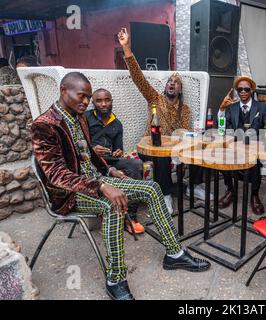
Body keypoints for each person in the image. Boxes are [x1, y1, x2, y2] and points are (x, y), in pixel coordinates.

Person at [31, 72, 211, 300]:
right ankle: (116, 277)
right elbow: (56, 174)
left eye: (88, 97)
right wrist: (102, 186)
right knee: (112, 204)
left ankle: (175, 253)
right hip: (69, 194)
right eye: (82, 96)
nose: (86, 101)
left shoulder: (79, 117)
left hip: (97, 180)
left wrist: (110, 171)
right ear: (63, 91)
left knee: (152, 187)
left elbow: (89, 154)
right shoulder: (45, 125)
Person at [117, 27, 210, 213]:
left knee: (200, 145)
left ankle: (194, 186)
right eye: (169, 81)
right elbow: (138, 78)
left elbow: (183, 134)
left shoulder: (185, 110)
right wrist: (127, 49)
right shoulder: (154, 98)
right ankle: (165, 194)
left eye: (176, 83)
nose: (171, 83)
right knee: (161, 154)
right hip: (149, 149)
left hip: (173, 149)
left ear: (180, 90)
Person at [86, 88, 145, 235]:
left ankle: (130, 216)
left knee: (136, 165)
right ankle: (115, 212)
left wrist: (118, 151)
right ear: (93, 103)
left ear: (112, 102)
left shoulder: (117, 124)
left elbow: (119, 147)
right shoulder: (85, 118)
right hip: (90, 161)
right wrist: (92, 149)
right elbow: (77, 143)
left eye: (107, 100)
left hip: (110, 161)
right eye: (99, 101)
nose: (104, 104)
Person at [216, 76, 266, 215]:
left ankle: (254, 195)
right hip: (235, 146)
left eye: (246, 89)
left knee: (255, 161)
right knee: (224, 157)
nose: (243, 92)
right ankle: (230, 191)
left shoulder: (261, 107)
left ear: (251, 90)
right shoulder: (231, 107)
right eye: (240, 89)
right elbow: (222, 127)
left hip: (253, 147)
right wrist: (221, 109)